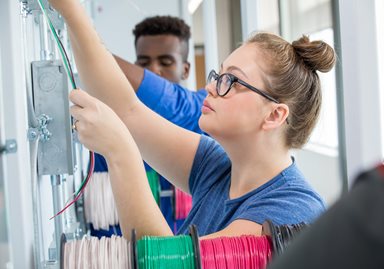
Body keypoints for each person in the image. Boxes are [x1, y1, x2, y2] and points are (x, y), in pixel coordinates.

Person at [49, 0, 336, 239]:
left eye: (232, 81)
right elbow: (127, 111)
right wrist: (72, 12)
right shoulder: (217, 166)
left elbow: (168, 262)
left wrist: (120, 151)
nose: (211, 87)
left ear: (275, 114)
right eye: (219, 75)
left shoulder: (289, 212)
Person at [92, 15, 204, 236]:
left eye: (165, 62)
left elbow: (169, 102)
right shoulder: (112, 123)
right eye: (144, 63)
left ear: (185, 69)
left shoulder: (198, 109)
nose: (154, 70)